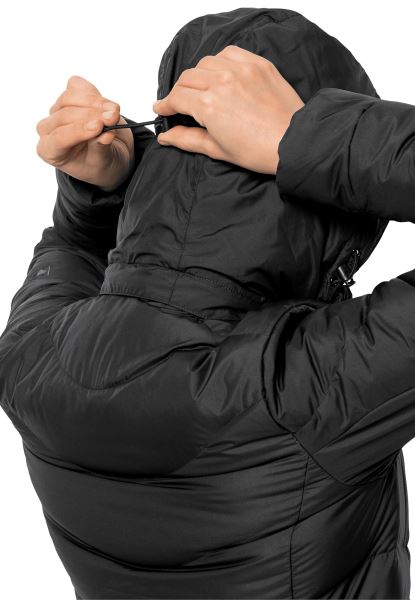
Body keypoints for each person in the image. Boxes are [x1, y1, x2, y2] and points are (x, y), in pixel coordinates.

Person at [1, 6, 414, 599]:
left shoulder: (32, 362)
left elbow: (72, 247)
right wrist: (314, 137)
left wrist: (105, 187)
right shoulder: (306, 385)